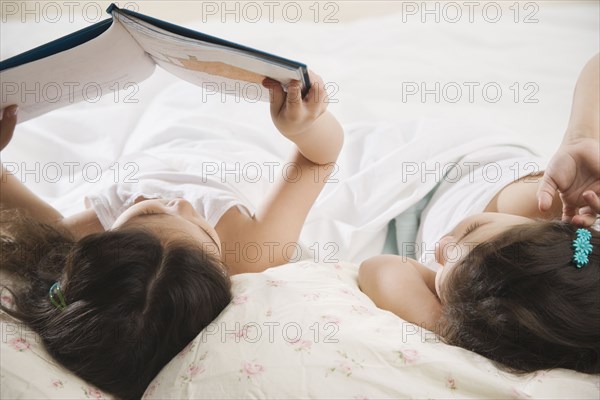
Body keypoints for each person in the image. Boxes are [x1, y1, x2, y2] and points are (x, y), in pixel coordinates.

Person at [0, 73, 344, 399]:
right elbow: (319, 159)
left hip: (156, 146)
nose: (181, 203)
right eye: (202, 229)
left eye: (147, 211)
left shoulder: (94, 244)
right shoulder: (253, 251)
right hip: (239, 140)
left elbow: (19, 207)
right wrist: (306, 127)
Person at [359, 53, 600, 374]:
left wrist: (454, 327)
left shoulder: (491, 310)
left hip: (410, 221)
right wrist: (583, 136)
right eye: (471, 229)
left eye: (444, 273)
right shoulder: (550, 204)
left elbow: (380, 269)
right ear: (552, 226)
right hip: (449, 165)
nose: (442, 247)